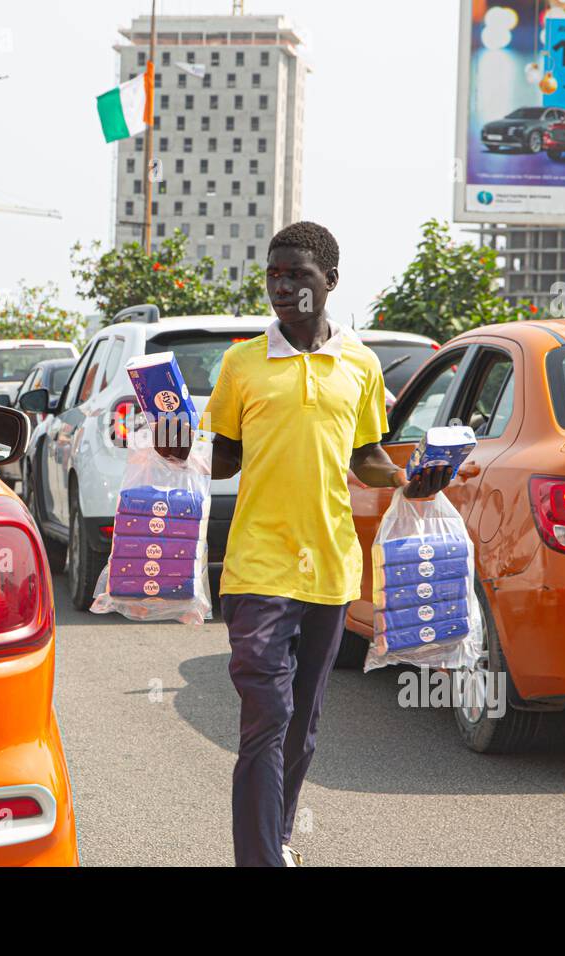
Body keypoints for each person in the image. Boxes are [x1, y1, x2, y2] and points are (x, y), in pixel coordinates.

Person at [156, 221, 452, 866]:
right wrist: (179, 448)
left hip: (332, 567)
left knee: (303, 725)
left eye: (298, 275)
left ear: (331, 282)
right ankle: (258, 859)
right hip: (258, 565)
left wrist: (406, 479)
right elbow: (224, 460)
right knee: (266, 713)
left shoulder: (361, 364)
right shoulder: (242, 363)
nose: (284, 287)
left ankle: (279, 837)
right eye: (275, 274)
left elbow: (366, 454)